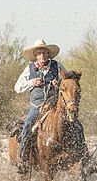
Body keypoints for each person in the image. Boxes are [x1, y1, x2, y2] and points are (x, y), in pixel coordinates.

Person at [14, 39, 67, 169]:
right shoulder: (29, 69)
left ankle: (85, 157)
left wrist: (58, 84)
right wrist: (31, 82)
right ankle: (23, 157)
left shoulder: (58, 66)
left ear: (48, 54)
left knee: (75, 125)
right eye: (39, 53)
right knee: (27, 126)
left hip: (54, 106)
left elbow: (67, 81)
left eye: (44, 52)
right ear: (35, 55)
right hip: (37, 107)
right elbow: (17, 87)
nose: (42, 55)